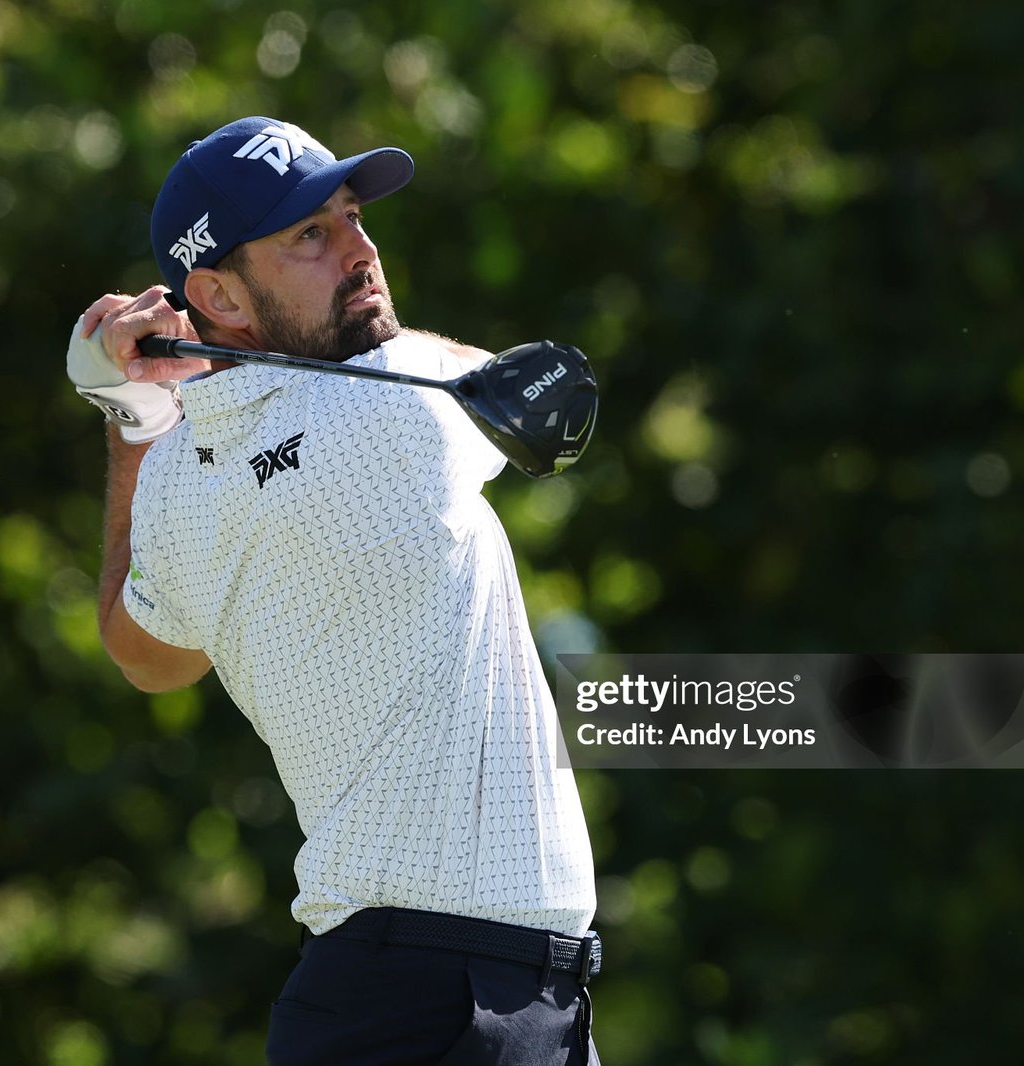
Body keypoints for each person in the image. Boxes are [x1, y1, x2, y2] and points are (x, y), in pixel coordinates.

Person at [68, 117, 600, 1064]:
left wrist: (131, 412)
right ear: (216, 293)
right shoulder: (395, 404)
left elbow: (142, 656)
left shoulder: (182, 489)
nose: (361, 251)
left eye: (350, 216)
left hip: (398, 997)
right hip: (449, 1003)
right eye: (309, 235)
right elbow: (545, 405)